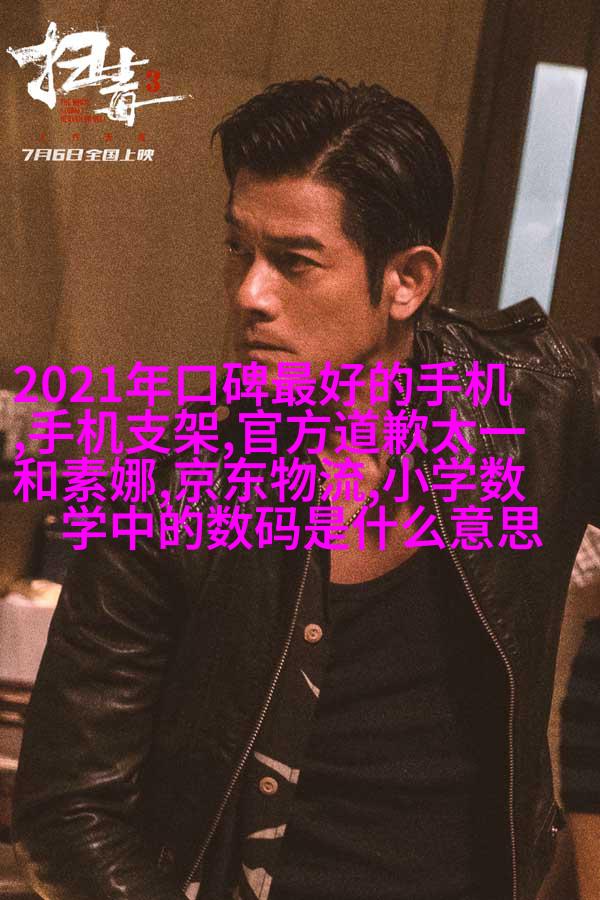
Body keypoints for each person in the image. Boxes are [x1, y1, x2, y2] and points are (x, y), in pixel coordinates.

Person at [11, 77, 600, 900]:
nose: (249, 294)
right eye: (238, 249)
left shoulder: (541, 407)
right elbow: (68, 809)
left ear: (406, 280)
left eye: (294, 262)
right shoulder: (172, 488)